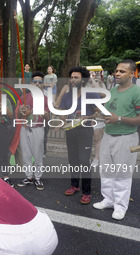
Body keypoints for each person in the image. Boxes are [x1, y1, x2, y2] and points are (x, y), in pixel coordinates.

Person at [93, 60, 140, 220]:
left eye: (122, 71)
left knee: (122, 173)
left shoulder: (137, 92)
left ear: (132, 74)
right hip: (108, 135)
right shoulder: (112, 90)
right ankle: (108, 199)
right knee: (106, 170)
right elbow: (110, 112)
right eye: (116, 71)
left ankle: (120, 206)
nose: (117, 73)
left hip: (126, 137)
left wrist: (118, 118)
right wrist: (102, 115)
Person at [58, 67, 100, 205]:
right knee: (73, 160)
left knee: (84, 161)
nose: (73, 80)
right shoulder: (67, 96)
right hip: (70, 131)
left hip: (85, 131)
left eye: (76, 77)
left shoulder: (91, 95)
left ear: (83, 79)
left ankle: (86, 192)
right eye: (71, 77)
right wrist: (61, 122)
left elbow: (98, 113)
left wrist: (88, 116)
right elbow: (63, 113)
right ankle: (74, 186)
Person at [16, 72, 49, 190]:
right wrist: (21, 110)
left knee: (38, 154)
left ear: (43, 85)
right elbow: (18, 115)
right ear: (31, 84)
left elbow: (48, 117)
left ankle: (38, 178)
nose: (37, 84)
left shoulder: (45, 99)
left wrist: (45, 115)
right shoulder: (24, 97)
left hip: (38, 128)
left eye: (39, 82)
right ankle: (28, 177)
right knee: (26, 154)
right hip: (24, 128)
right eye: (34, 82)